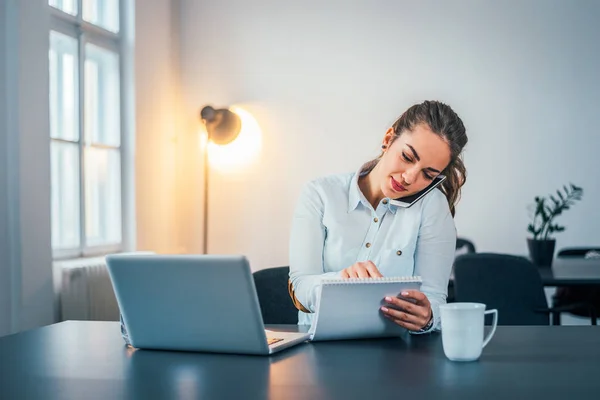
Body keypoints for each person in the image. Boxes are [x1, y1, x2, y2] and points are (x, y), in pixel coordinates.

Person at [287, 100, 468, 333]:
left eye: (428, 174)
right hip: (317, 347)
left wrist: (428, 317)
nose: (410, 178)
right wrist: (339, 281)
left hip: (396, 353)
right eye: (407, 157)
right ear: (388, 139)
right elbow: (301, 285)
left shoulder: (432, 206)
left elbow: (434, 300)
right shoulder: (320, 194)